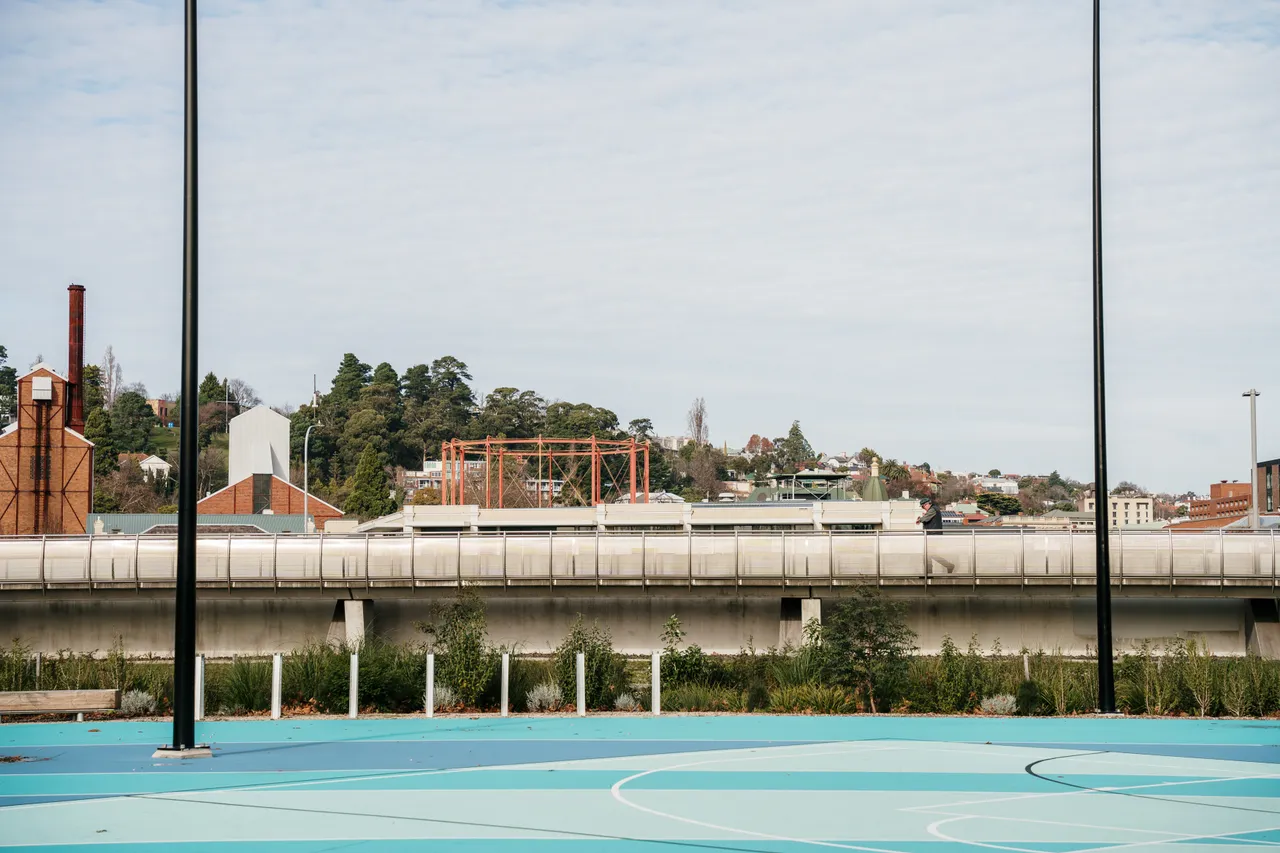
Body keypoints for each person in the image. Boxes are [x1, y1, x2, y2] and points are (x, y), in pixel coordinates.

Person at [917, 497, 955, 574]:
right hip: (933, 536)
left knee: (928, 554)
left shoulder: (933, 510)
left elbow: (925, 519)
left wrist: (920, 519)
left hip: (933, 536)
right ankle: (931, 572)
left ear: (927, 504)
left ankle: (929, 573)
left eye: (923, 506)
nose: (923, 508)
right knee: (929, 554)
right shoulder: (934, 509)